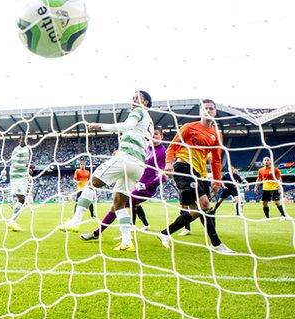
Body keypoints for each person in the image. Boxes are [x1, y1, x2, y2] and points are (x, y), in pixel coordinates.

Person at [58, 91, 154, 252]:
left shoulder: (138, 111)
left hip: (127, 159)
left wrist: (98, 126)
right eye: (132, 97)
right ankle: (127, 241)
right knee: (119, 204)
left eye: (136, 97)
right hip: (138, 166)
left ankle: (76, 221)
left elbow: (126, 126)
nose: (132, 100)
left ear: (144, 101)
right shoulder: (149, 120)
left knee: (91, 184)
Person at [157, 99, 234, 254]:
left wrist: (217, 179)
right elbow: (172, 146)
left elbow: (217, 159)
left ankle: (164, 233)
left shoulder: (217, 134)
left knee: (197, 211)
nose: (208, 111)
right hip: (183, 166)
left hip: (200, 173)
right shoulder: (189, 127)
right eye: (205, 108)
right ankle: (217, 244)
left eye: (211, 108)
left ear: (215, 112)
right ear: (200, 111)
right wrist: (169, 163)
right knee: (205, 204)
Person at [80, 127, 166, 241]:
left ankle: (99, 234)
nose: (153, 136)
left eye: (156, 134)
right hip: (134, 183)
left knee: (116, 207)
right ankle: (119, 232)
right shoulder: (146, 148)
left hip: (144, 189)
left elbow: (163, 177)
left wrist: (146, 185)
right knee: (117, 207)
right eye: (151, 134)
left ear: (162, 136)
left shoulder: (162, 152)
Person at [7, 136, 33, 232]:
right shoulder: (16, 150)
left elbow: (23, 164)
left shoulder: (26, 149)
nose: (24, 141)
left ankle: (12, 222)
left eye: (26, 140)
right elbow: (15, 165)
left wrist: (28, 170)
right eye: (22, 139)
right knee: (21, 200)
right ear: (19, 140)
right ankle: (11, 221)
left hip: (22, 177)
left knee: (22, 200)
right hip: (16, 177)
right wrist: (27, 166)